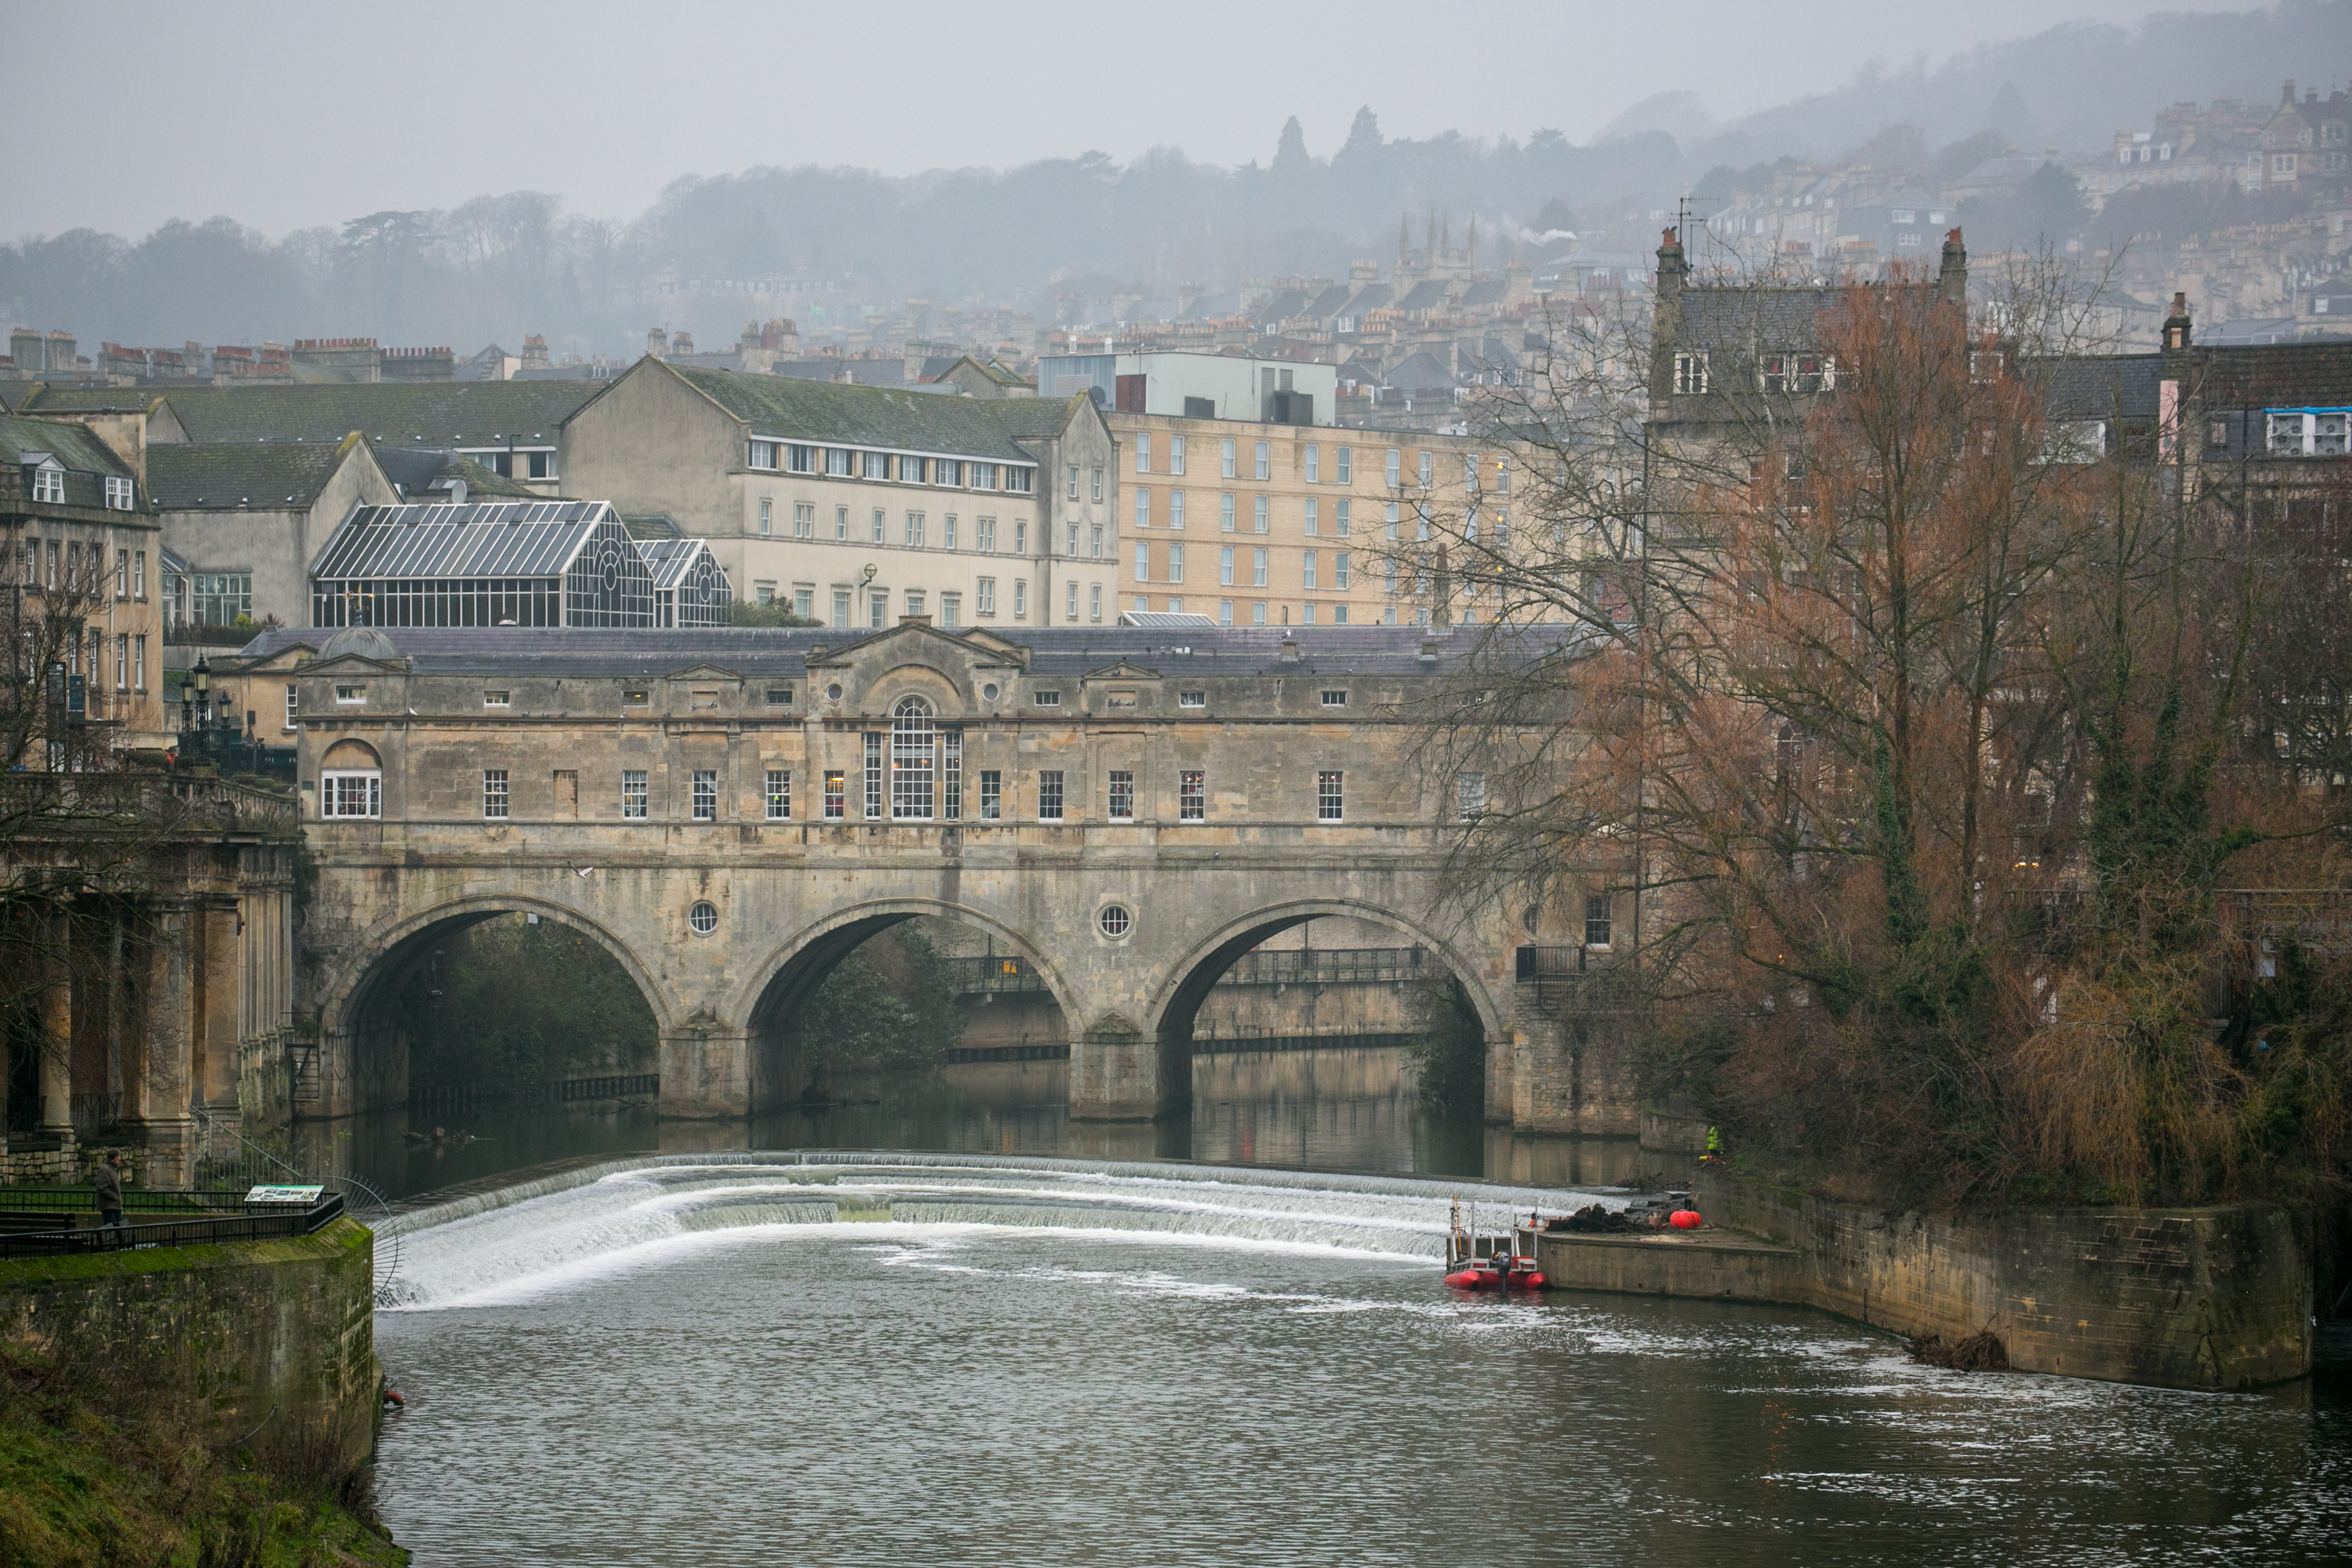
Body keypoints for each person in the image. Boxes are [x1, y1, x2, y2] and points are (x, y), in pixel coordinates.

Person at [92, 1151, 125, 1232]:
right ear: (115, 1159)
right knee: (111, 1230)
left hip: (115, 1205)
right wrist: (114, 1196)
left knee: (120, 1229)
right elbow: (101, 1187)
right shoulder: (105, 1169)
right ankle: (112, 1244)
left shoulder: (111, 1169)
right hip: (109, 1206)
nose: (120, 1159)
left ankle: (122, 1244)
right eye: (119, 1157)